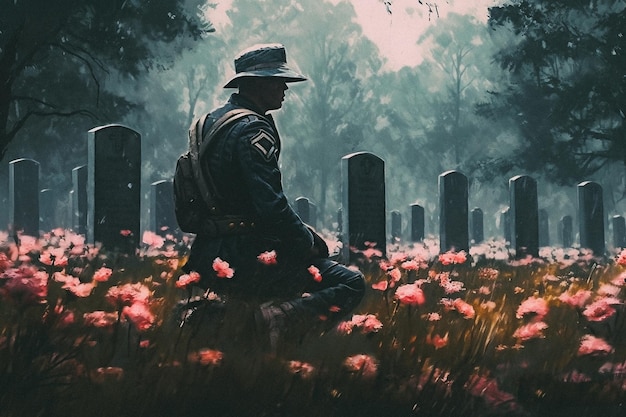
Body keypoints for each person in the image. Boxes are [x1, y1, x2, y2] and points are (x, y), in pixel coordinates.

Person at [182, 43, 365, 350]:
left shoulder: (206, 124)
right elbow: (271, 206)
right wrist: (307, 241)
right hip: (247, 253)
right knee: (350, 282)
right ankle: (273, 322)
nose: (284, 89)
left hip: (206, 250)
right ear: (256, 83)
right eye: (277, 81)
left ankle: (236, 323)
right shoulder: (254, 129)